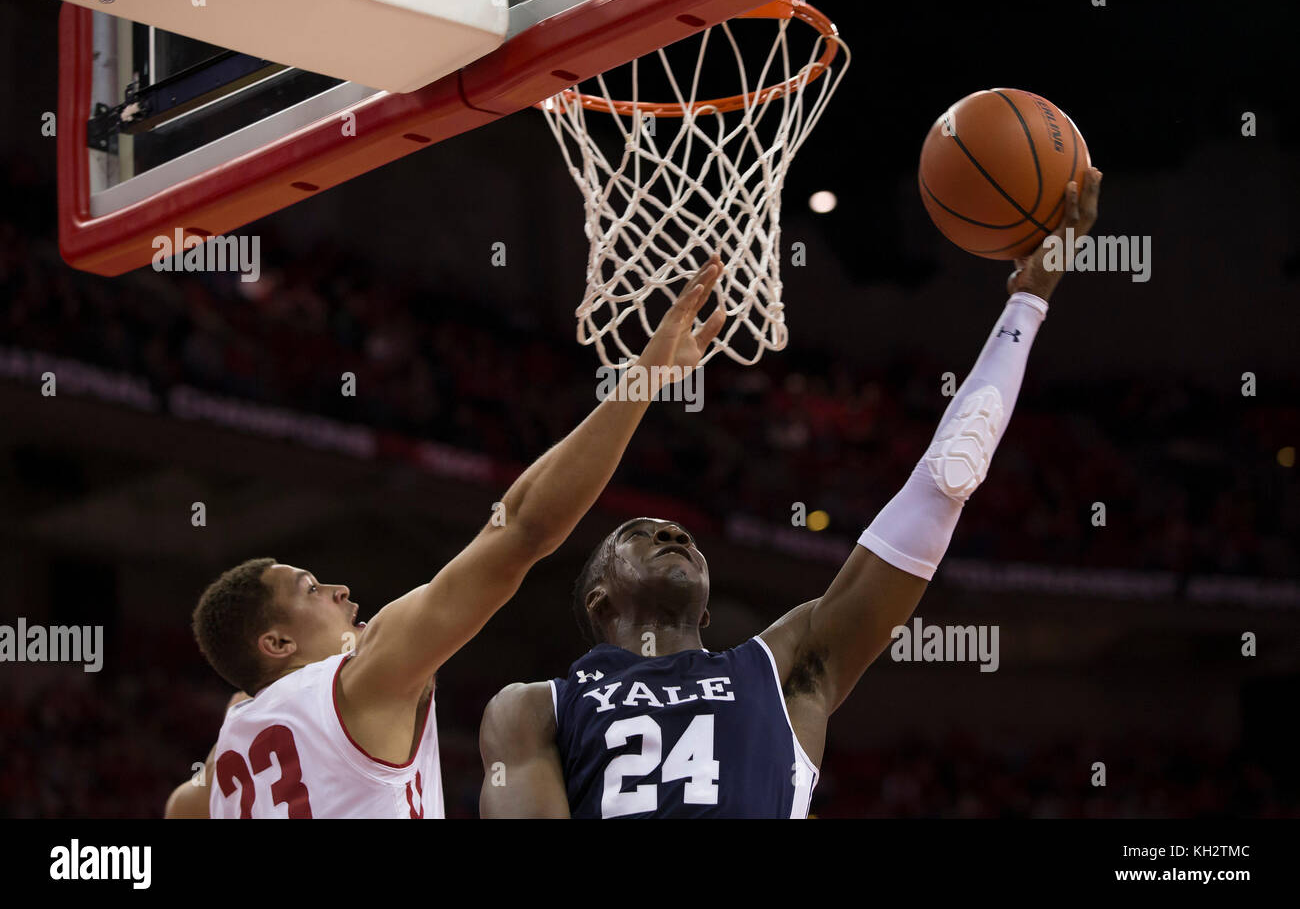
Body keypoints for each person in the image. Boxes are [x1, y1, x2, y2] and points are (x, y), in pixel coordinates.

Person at [478, 170, 1103, 818]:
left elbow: (946, 475)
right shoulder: (536, 709)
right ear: (600, 600)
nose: (672, 532)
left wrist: (1028, 301)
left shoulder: (782, 670)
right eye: (639, 534)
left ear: (708, 612)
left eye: (678, 533)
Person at [164, 257, 728, 818]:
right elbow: (520, 529)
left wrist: (239, 721)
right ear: (277, 643)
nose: (340, 590)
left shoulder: (228, 757)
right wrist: (643, 379)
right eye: (310, 589)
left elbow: (178, 808)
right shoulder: (366, 675)